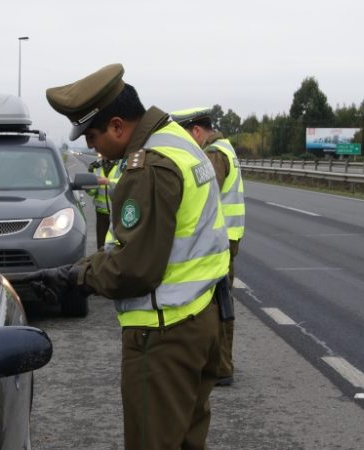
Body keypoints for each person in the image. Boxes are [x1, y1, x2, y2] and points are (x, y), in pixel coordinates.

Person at [28, 63, 230, 450]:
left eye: (93, 136)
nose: (92, 148)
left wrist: (76, 277)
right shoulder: (177, 140)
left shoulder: (148, 168)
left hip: (164, 334)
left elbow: (135, 269)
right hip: (199, 318)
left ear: (118, 126)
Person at [171, 107, 246, 387]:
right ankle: (219, 364)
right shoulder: (224, 148)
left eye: (184, 136)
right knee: (220, 299)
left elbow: (203, 194)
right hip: (226, 236)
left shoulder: (213, 155)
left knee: (216, 303)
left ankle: (221, 367)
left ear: (197, 131)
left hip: (218, 239)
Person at [85, 154, 117, 249]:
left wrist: (108, 181)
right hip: (101, 212)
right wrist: (89, 183)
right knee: (101, 246)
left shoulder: (122, 164)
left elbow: (128, 183)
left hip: (118, 212)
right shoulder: (96, 166)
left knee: (117, 245)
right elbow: (92, 193)